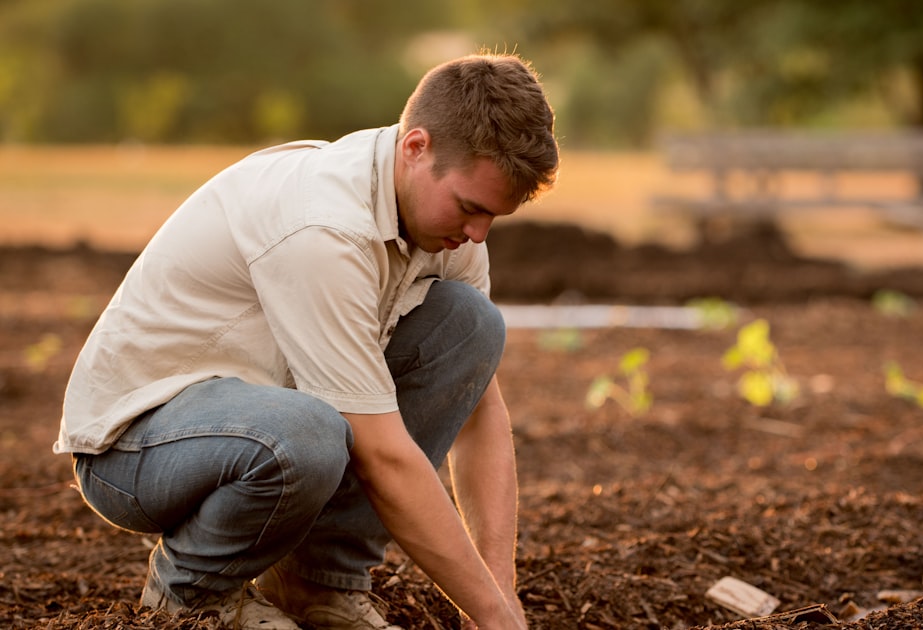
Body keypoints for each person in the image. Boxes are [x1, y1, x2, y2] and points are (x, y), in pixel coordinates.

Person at [54, 52, 558, 630]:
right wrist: (494, 618)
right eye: (470, 207)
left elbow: (477, 408)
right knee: (308, 434)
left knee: (470, 325)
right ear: (415, 147)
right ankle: (191, 594)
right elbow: (383, 456)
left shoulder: (449, 228)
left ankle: (319, 583)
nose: (477, 233)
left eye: (493, 216)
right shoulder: (324, 228)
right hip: (135, 446)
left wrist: (500, 594)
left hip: (261, 416)